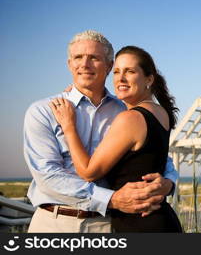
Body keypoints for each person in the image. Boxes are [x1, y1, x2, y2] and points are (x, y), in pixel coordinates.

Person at [24, 30, 178, 233]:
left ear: (108, 66)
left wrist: (169, 182)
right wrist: (112, 199)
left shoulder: (126, 111)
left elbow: (156, 156)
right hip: (54, 222)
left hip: (105, 225)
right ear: (70, 64)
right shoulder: (43, 111)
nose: (84, 65)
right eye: (78, 57)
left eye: (94, 58)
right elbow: (48, 176)